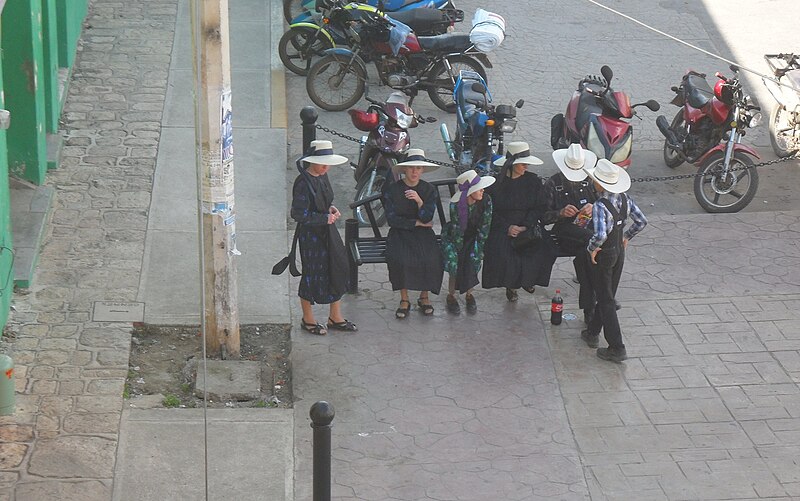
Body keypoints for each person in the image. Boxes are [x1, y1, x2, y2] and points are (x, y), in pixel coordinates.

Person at [580, 159, 647, 362]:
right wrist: (626, 237)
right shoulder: (624, 198)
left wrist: (591, 248)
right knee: (607, 293)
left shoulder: (601, 205)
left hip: (605, 254)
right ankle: (592, 332)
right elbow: (641, 221)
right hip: (619, 252)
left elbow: (600, 235)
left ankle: (616, 346)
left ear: (599, 184)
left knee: (606, 300)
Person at [290, 139, 358, 335]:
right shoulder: (303, 182)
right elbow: (298, 214)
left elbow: (323, 201)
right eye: (322, 164)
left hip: (327, 232)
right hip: (311, 237)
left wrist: (329, 209)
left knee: (337, 267)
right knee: (312, 274)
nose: (325, 168)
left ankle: (335, 316)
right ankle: (308, 318)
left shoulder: (322, 176)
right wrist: (324, 217)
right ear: (312, 161)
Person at [482, 141, 556, 302]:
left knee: (544, 248)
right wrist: (507, 228)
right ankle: (512, 285)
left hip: (527, 224)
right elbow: (489, 211)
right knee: (506, 254)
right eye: (523, 164)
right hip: (502, 226)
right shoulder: (495, 184)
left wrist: (526, 225)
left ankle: (528, 280)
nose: (526, 168)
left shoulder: (533, 181)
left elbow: (539, 207)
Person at [384, 149, 445, 318]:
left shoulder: (429, 189)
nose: (414, 172)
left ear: (422, 170)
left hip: (423, 234)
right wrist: (415, 223)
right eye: (411, 168)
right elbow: (391, 219)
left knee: (430, 258)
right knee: (401, 259)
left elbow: (427, 217)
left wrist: (419, 201)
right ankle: (404, 299)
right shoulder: (393, 189)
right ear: (405, 170)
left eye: (418, 168)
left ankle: (424, 297)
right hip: (400, 232)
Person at [543, 143, 599, 323]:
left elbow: (603, 205)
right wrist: (560, 213)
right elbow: (542, 216)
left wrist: (594, 208)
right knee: (594, 242)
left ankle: (589, 308)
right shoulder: (553, 184)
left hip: (585, 234)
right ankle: (598, 297)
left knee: (585, 255)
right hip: (564, 231)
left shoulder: (589, 182)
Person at [441, 170, 495, 314]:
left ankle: (469, 294)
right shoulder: (456, 205)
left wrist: (479, 247)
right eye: (478, 188)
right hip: (455, 237)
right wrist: (460, 250)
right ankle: (451, 295)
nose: (482, 190)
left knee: (473, 258)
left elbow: (485, 226)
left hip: (475, 236)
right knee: (455, 261)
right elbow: (456, 231)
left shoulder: (486, 200)